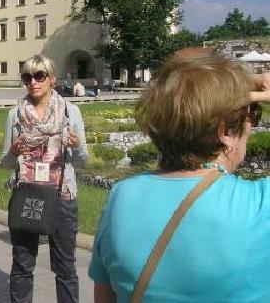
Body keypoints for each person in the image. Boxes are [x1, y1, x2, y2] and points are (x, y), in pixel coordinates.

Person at [89, 51, 269, 302]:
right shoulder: (260, 205)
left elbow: (104, 297)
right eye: (252, 115)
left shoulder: (122, 196)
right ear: (226, 130)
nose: (252, 123)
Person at [1, 55, 88, 303]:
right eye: (27, 77)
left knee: (65, 268)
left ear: (52, 79)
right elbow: (6, 162)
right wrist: (14, 152)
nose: (33, 82)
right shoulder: (14, 116)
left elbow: (83, 160)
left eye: (39, 76)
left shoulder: (71, 113)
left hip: (62, 197)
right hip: (27, 195)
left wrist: (78, 146)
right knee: (22, 265)